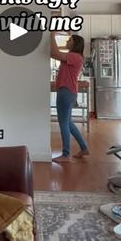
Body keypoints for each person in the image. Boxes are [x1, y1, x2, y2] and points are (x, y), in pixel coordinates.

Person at [51, 32, 89, 163]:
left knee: (63, 123)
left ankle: (65, 154)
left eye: (69, 40)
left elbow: (54, 53)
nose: (67, 41)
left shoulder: (74, 56)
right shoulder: (74, 56)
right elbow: (53, 53)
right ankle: (84, 148)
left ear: (75, 43)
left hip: (66, 92)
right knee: (68, 123)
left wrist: (51, 35)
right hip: (69, 92)